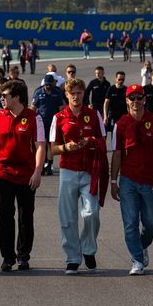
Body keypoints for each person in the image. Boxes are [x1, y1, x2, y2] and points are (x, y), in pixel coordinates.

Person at [50, 78, 107, 274]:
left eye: (79, 92)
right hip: (67, 170)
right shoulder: (58, 117)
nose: (76, 96)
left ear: (84, 94)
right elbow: (52, 149)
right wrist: (66, 147)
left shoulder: (93, 114)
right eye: (72, 93)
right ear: (66, 95)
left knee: (91, 213)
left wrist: (90, 141)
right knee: (67, 218)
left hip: (89, 170)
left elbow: (103, 141)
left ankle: (88, 249)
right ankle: (72, 258)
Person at [110, 84, 153, 275]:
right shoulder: (121, 124)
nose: (136, 101)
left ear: (144, 99)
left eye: (139, 98)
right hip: (128, 180)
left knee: (152, 220)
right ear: (127, 100)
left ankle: (142, 245)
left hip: (149, 180)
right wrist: (113, 181)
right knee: (130, 222)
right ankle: (137, 260)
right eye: (132, 98)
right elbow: (117, 154)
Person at [0, 80, 46, 271]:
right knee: (5, 214)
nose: (1, 99)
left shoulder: (34, 118)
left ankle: (23, 256)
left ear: (16, 97)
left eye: (4, 95)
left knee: (25, 216)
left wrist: (37, 171)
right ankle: (8, 257)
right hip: (4, 173)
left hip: (26, 175)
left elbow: (40, 146)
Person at [31, 74, 64, 175]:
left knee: (50, 144)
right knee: (42, 144)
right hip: (41, 122)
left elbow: (61, 108)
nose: (48, 87)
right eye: (46, 85)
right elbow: (33, 107)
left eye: (50, 85)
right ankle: (41, 165)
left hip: (53, 122)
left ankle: (49, 165)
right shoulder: (38, 92)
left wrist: (61, 122)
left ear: (53, 84)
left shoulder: (57, 92)